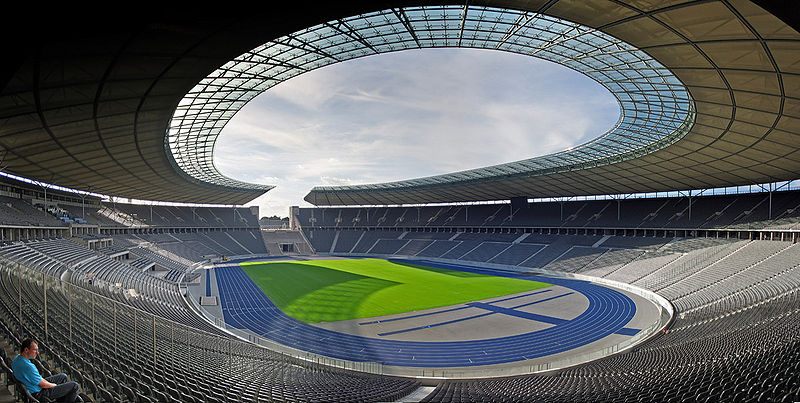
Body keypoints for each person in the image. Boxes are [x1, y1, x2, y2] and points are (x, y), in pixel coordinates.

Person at [11, 338, 81, 403]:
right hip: (39, 394)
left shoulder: (16, 359)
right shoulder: (28, 367)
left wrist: (50, 384)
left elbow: (39, 380)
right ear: (26, 350)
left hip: (34, 387)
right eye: (35, 350)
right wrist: (54, 385)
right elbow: (43, 385)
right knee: (75, 386)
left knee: (63, 376)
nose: (37, 352)